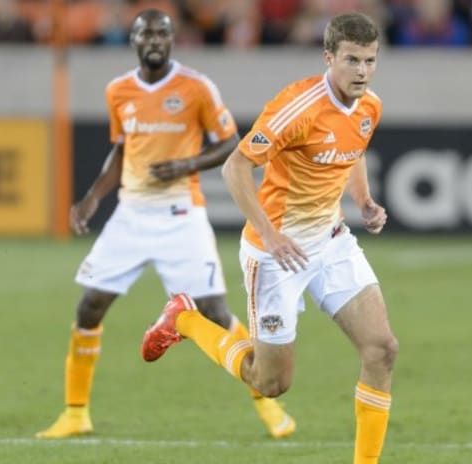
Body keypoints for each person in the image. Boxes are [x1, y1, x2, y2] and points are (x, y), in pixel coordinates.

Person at [141, 12, 399, 464]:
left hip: (331, 241)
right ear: (329, 58)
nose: (362, 71)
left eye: (370, 61)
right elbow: (235, 167)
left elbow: (352, 152)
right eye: (353, 60)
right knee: (270, 382)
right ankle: (183, 318)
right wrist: (271, 234)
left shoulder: (369, 105)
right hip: (276, 255)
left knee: (382, 349)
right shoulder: (297, 106)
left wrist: (364, 201)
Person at [36, 9, 296, 440]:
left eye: (161, 33)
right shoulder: (119, 90)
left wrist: (186, 164)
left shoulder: (196, 88)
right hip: (130, 215)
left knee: (214, 312)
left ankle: (269, 404)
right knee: (89, 306)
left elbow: (231, 143)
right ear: (133, 40)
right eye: (145, 33)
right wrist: (91, 199)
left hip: (182, 215)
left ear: (172, 39)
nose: (154, 40)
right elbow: (121, 149)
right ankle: (75, 413)